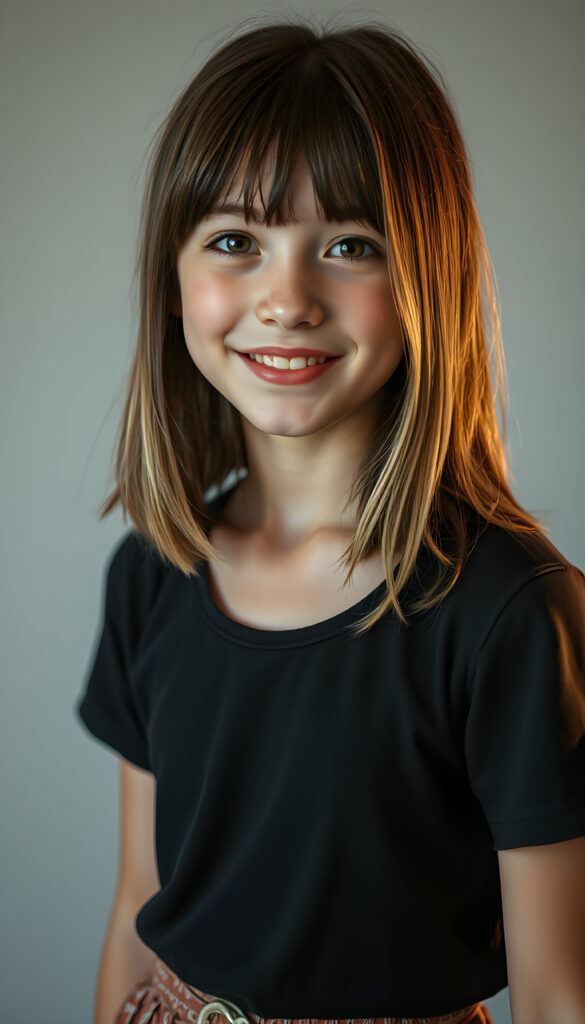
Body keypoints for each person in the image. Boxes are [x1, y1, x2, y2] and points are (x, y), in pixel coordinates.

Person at [74, 16, 585, 1024]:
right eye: (235, 241)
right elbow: (139, 903)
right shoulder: (150, 573)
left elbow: (559, 990)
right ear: (174, 284)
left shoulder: (513, 610)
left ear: (424, 277)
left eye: (350, 244)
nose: (288, 297)